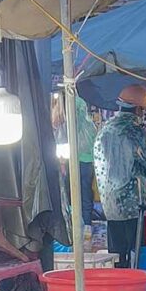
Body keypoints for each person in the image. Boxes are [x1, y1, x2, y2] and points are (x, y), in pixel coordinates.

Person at [94, 84, 146, 268]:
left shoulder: (104, 130)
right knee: (136, 258)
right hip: (133, 205)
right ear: (139, 109)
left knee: (117, 258)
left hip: (110, 206)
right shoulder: (135, 131)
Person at [53, 94, 98, 225]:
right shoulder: (87, 122)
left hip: (74, 159)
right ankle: (86, 227)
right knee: (85, 194)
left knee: (71, 194)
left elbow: (59, 128)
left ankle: (77, 226)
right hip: (85, 160)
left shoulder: (68, 105)